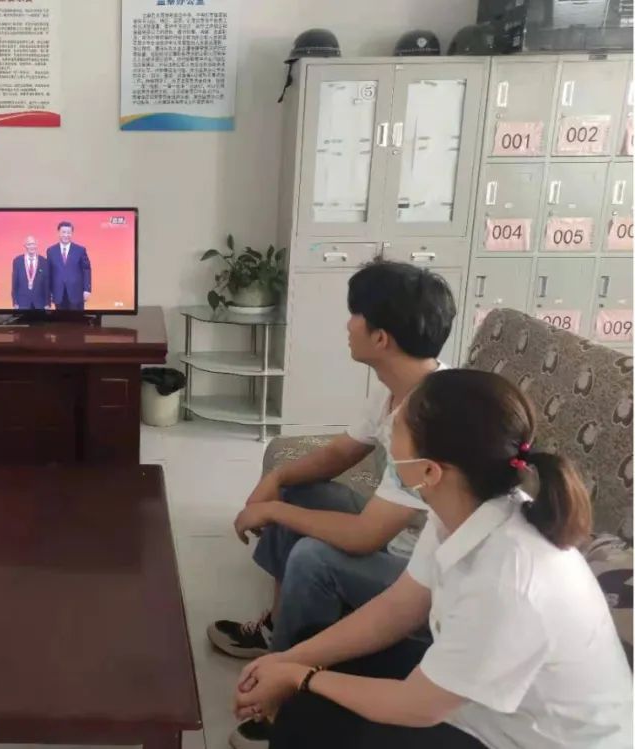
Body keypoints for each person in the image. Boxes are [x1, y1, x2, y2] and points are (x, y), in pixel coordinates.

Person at [235, 369, 633, 748]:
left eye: (398, 429)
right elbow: (398, 607)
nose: (389, 434)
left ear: (429, 471)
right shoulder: (462, 511)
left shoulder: (509, 576)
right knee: (310, 646)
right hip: (486, 709)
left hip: (526, 739)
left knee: (310, 711)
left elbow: (415, 706)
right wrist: (287, 661)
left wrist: (299, 678)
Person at [208, 261, 455, 747]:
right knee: (301, 493)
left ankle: (284, 698)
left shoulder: (432, 417)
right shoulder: (396, 389)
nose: (347, 324)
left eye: (355, 314)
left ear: (380, 337)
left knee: (313, 557)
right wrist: (277, 479)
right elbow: (341, 453)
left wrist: (270, 510)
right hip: (401, 542)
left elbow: (366, 536)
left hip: (422, 573)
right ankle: (279, 633)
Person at [46, 220, 91, 310]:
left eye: (68, 232)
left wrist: (87, 289)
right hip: (58, 293)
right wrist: (48, 292)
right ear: (58, 233)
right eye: (63, 232)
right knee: (60, 318)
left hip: (76, 292)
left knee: (76, 318)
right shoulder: (51, 251)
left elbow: (86, 270)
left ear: (72, 233)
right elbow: (49, 272)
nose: (66, 235)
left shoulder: (80, 250)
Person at [11, 235, 50, 310]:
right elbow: (15, 282)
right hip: (22, 302)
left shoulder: (44, 261)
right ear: (25, 246)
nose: (32, 247)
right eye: (29, 244)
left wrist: (47, 303)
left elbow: (46, 284)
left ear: (37, 245)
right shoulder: (17, 261)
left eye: (33, 244)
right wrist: (15, 302)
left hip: (40, 303)